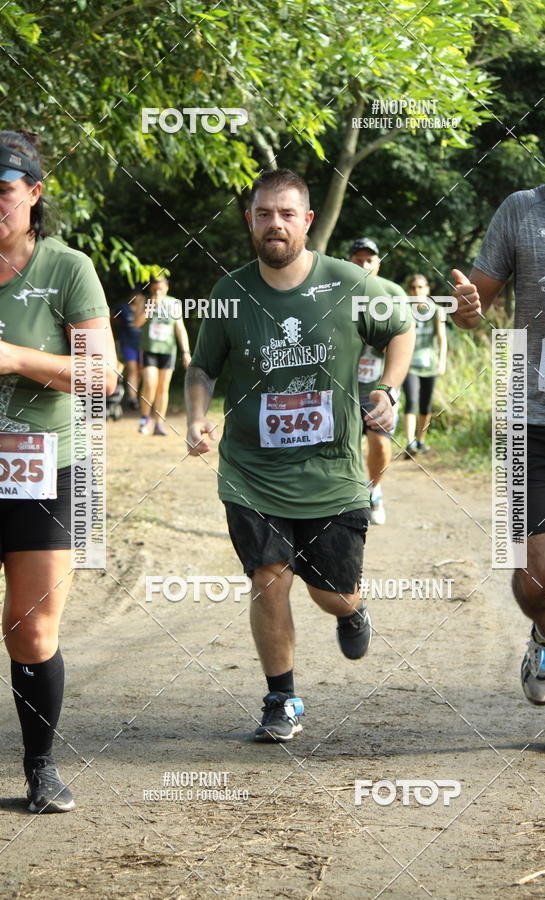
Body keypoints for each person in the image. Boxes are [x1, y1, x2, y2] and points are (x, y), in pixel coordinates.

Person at [185, 169, 414, 742]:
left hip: (331, 471)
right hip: (252, 471)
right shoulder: (229, 293)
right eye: (264, 214)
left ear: (307, 221)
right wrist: (195, 416)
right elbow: (202, 367)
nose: (275, 224)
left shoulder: (348, 283)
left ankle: (352, 610)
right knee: (269, 578)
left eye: (287, 214)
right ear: (250, 221)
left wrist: (388, 390)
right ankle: (281, 698)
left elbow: (402, 326)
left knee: (331, 593)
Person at [451, 86, 545, 754]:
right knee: (534, 580)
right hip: (532, 419)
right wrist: (467, 308)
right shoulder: (521, 210)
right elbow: (476, 304)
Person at [0, 130, 117, 810]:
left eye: (4, 192)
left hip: (44, 467)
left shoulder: (67, 268)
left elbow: (103, 376)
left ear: (34, 194)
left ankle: (40, 767)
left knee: (31, 628)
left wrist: (15, 359)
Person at [350, 237, 405, 525]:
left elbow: (402, 339)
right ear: (348, 263)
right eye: (357, 260)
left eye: (369, 260)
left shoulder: (393, 293)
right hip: (343, 387)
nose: (363, 265)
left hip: (378, 388)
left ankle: (375, 490)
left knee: (380, 445)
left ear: (378, 264)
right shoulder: (335, 290)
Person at [135, 275, 191, 435]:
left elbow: (180, 328)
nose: (157, 292)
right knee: (149, 383)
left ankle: (159, 424)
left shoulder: (174, 303)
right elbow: (136, 323)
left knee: (163, 388)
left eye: (160, 288)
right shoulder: (144, 302)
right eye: (154, 289)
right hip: (149, 349)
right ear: (151, 289)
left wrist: (186, 352)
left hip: (168, 351)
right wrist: (151, 306)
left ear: (166, 288)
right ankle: (145, 418)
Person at [402, 273, 447, 456]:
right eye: (413, 288)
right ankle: (410, 443)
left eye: (420, 287)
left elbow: (442, 338)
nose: (417, 291)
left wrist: (442, 361)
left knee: (425, 404)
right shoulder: (404, 310)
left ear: (427, 289)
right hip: (409, 365)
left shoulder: (437, 310)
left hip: (429, 364)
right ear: (409, 291)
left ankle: (421, 440)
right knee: (411, 400)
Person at [112, 284, 145, 410]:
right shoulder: (123, 308)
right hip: (127, 344)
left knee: (140, 370)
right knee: (132, 369)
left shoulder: (146, 309)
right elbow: (112, 319)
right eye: (134, 295)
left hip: (143, 345)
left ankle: (133, 393)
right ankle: (132, 398)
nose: (136, 297)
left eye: (138, 295)